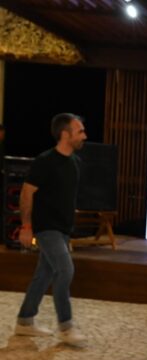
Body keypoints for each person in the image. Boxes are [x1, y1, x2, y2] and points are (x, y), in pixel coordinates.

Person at [14, 113, 88, 347]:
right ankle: (66, 326)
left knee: (44, 274)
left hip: (63, 229)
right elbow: (27, 193)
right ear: (65, 134)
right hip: (46, 228)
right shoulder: (45, 161)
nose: (84, 136)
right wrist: (26, 226)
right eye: (80, 131)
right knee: (65, 269)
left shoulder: (76, 162)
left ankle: (25, 321)